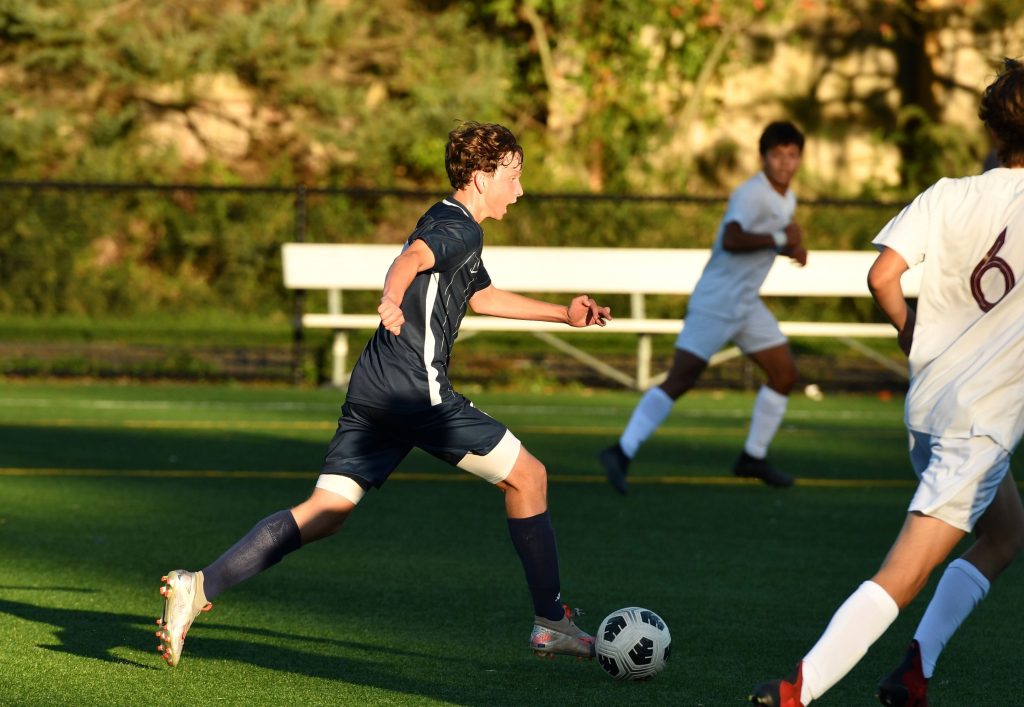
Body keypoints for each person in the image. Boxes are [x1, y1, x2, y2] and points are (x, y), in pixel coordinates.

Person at [155, 121, 613, 668]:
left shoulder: (455, 223)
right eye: (512, 177)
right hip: (414, 393)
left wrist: (563, 313)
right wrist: (391, 298)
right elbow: (411, 259)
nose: (519, 189)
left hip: (374, 387)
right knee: (529, 476)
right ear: (479, 176)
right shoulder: (455, 229)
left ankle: (199, 585)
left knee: (327, 511)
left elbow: (481, 295)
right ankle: (551, 621)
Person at [749, 58, 1024, 707]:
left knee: (1007, 535)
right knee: (904, 572)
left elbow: (882, 276)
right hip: (979, 424)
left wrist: (908, 327)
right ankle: (796, 689)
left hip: (929, 404)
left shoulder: (950, 192)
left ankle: (914, 670)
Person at [599, 121, 808, 494]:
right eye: (777, 155)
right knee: (682, 378)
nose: (784, 163)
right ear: (763, 158)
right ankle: (621, 451)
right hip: (717, 301)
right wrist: (781, 238)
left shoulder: (785, 197)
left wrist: (791, 247)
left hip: (746, 305)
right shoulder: (751, 193)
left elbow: (769, 239)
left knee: (785, 374)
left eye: (791, 156)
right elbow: (732, 238)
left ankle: (752, 457)